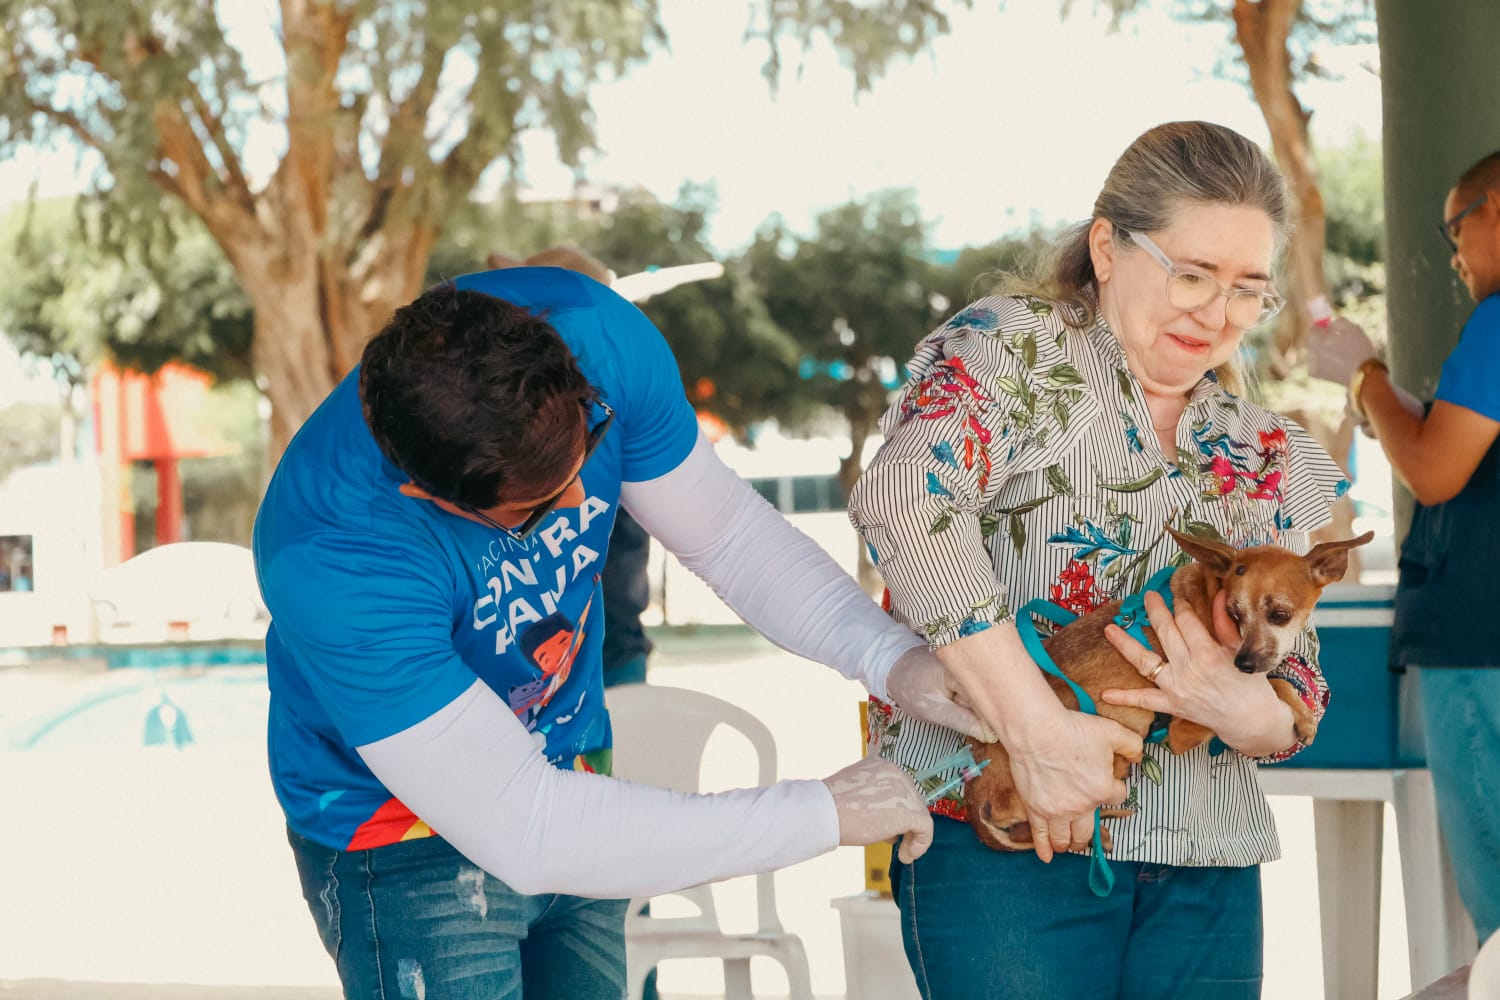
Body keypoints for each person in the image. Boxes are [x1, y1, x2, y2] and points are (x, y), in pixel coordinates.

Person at [252, 263, 989, 998]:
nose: (582, 500)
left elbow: (728, 536)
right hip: (398, 831)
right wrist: (821, 812)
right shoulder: (330, 553)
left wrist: (893, 659)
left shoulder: (595, 334)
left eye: (587, 449)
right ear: (428, 493)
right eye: (536, 509)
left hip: (572, 765)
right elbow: (528, 826)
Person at [847, 121, 1350, 999]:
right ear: (1108, 248)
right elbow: (901, 499)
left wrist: (1250, 712)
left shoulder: (1267, 449)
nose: (1216, 313)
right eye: (1192, 274)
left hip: (1207, 856)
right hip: (1011, 835)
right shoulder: (1015, 354)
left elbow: (1297, 678)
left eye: (1247, 290)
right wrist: (1036, 736)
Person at [1307, 149, 1500, 945]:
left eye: (1455, 230)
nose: (1454, 257)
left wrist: (1364, 375)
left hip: (1481, 643)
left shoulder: (1496, 321)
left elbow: (1434, 470)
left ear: (1494, 208)